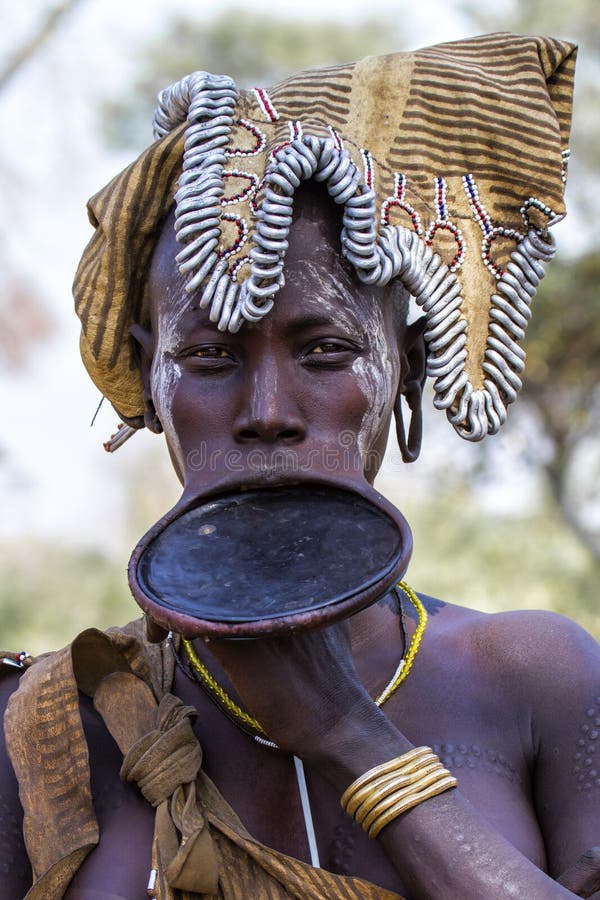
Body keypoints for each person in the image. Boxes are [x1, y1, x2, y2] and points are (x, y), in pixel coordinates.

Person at [2, 32, 599, 900]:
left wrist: (346, 732)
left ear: (408, 370)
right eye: (209, 359)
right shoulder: (54, 724)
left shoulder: (534, 676)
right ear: (149, 380)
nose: (268, 413)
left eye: (324, 350)